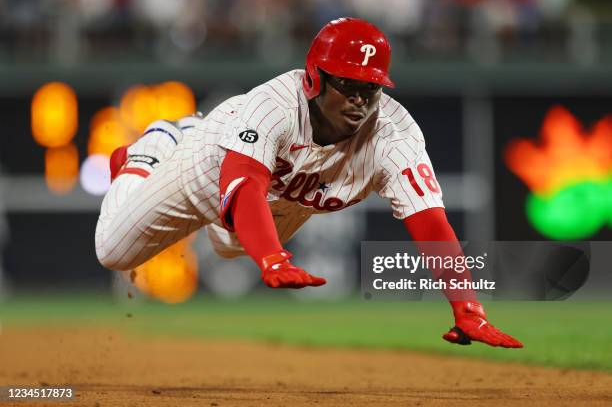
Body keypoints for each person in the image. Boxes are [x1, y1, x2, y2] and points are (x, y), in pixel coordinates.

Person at [95, 17, 522, 348]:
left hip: (280, 198)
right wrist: (272, 259)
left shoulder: (394, 135)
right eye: (348, 84)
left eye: (371, 88)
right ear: (315, 78)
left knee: (230, 246)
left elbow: (430, 223)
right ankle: (154, 148)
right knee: (113, 251)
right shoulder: (274, 105)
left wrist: (468, 308)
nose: (360, 99)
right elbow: (241, 184)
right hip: (209, 167)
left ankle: (240, 230)